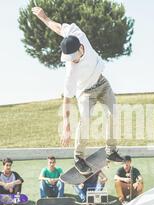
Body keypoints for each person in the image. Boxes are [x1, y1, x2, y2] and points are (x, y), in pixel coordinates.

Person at [32, 6, 124, 175]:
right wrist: (66, 124)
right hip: (85, 92)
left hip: (102, 83)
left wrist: (44, 16)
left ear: (81, 48)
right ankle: (78, 157)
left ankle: (111, 150)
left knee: (113, 114)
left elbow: (59, 27)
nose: (71, 62)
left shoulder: (77, 33)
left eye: (73, 58)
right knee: (86, 119)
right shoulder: (70, 71)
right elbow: (66, 99)